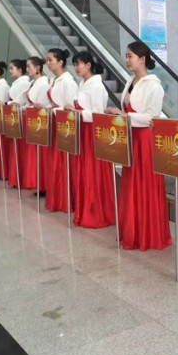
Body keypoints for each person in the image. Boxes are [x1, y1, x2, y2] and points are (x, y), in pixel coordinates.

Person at [105, 41, 171, 250]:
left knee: (144, 184)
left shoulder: (154, 85)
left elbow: (152, 117)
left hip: (144, 140)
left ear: (142, 59)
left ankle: (147, 233)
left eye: (130, 56)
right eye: (126, 56)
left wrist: (124, 116)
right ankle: (132, 230)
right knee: (131, 183)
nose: (127, 60)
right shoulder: (130, 81)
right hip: (131, 137)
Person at [64, 52, 115, 228]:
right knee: (83, 171)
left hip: (92, 132)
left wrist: (77, 112)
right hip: (82, 130)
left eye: (79, 64)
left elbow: (98, 114)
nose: (76, 67)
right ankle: (85, 209)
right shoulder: (82, 84)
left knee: (93, 171)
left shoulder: (97, 86)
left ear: (88, 65)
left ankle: (96, 212)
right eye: (75, 64)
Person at [44, 48, 78, 213]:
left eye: (50, 60)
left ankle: (65, 199)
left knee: (63, 163)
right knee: (55, 162)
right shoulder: (53, 80)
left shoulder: (68, 82)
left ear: (60, 62)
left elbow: (69, 108)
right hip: (55, 123)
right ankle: (57, 197)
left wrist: (54, 110)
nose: (48, 63)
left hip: (64, 126)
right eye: (47, 60)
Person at [7, 57, 48, 190]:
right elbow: (23, 101)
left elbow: (41, 105)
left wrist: (26, 108)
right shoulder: (32, 83)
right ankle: (30, 180)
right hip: (28, 118)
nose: (27, 69)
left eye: (29, 66)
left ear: (37, 68)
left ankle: (39, 183)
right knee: (29, 153)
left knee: (36, 153)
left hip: (37, 121)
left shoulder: (43, 84)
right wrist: (15, 105)